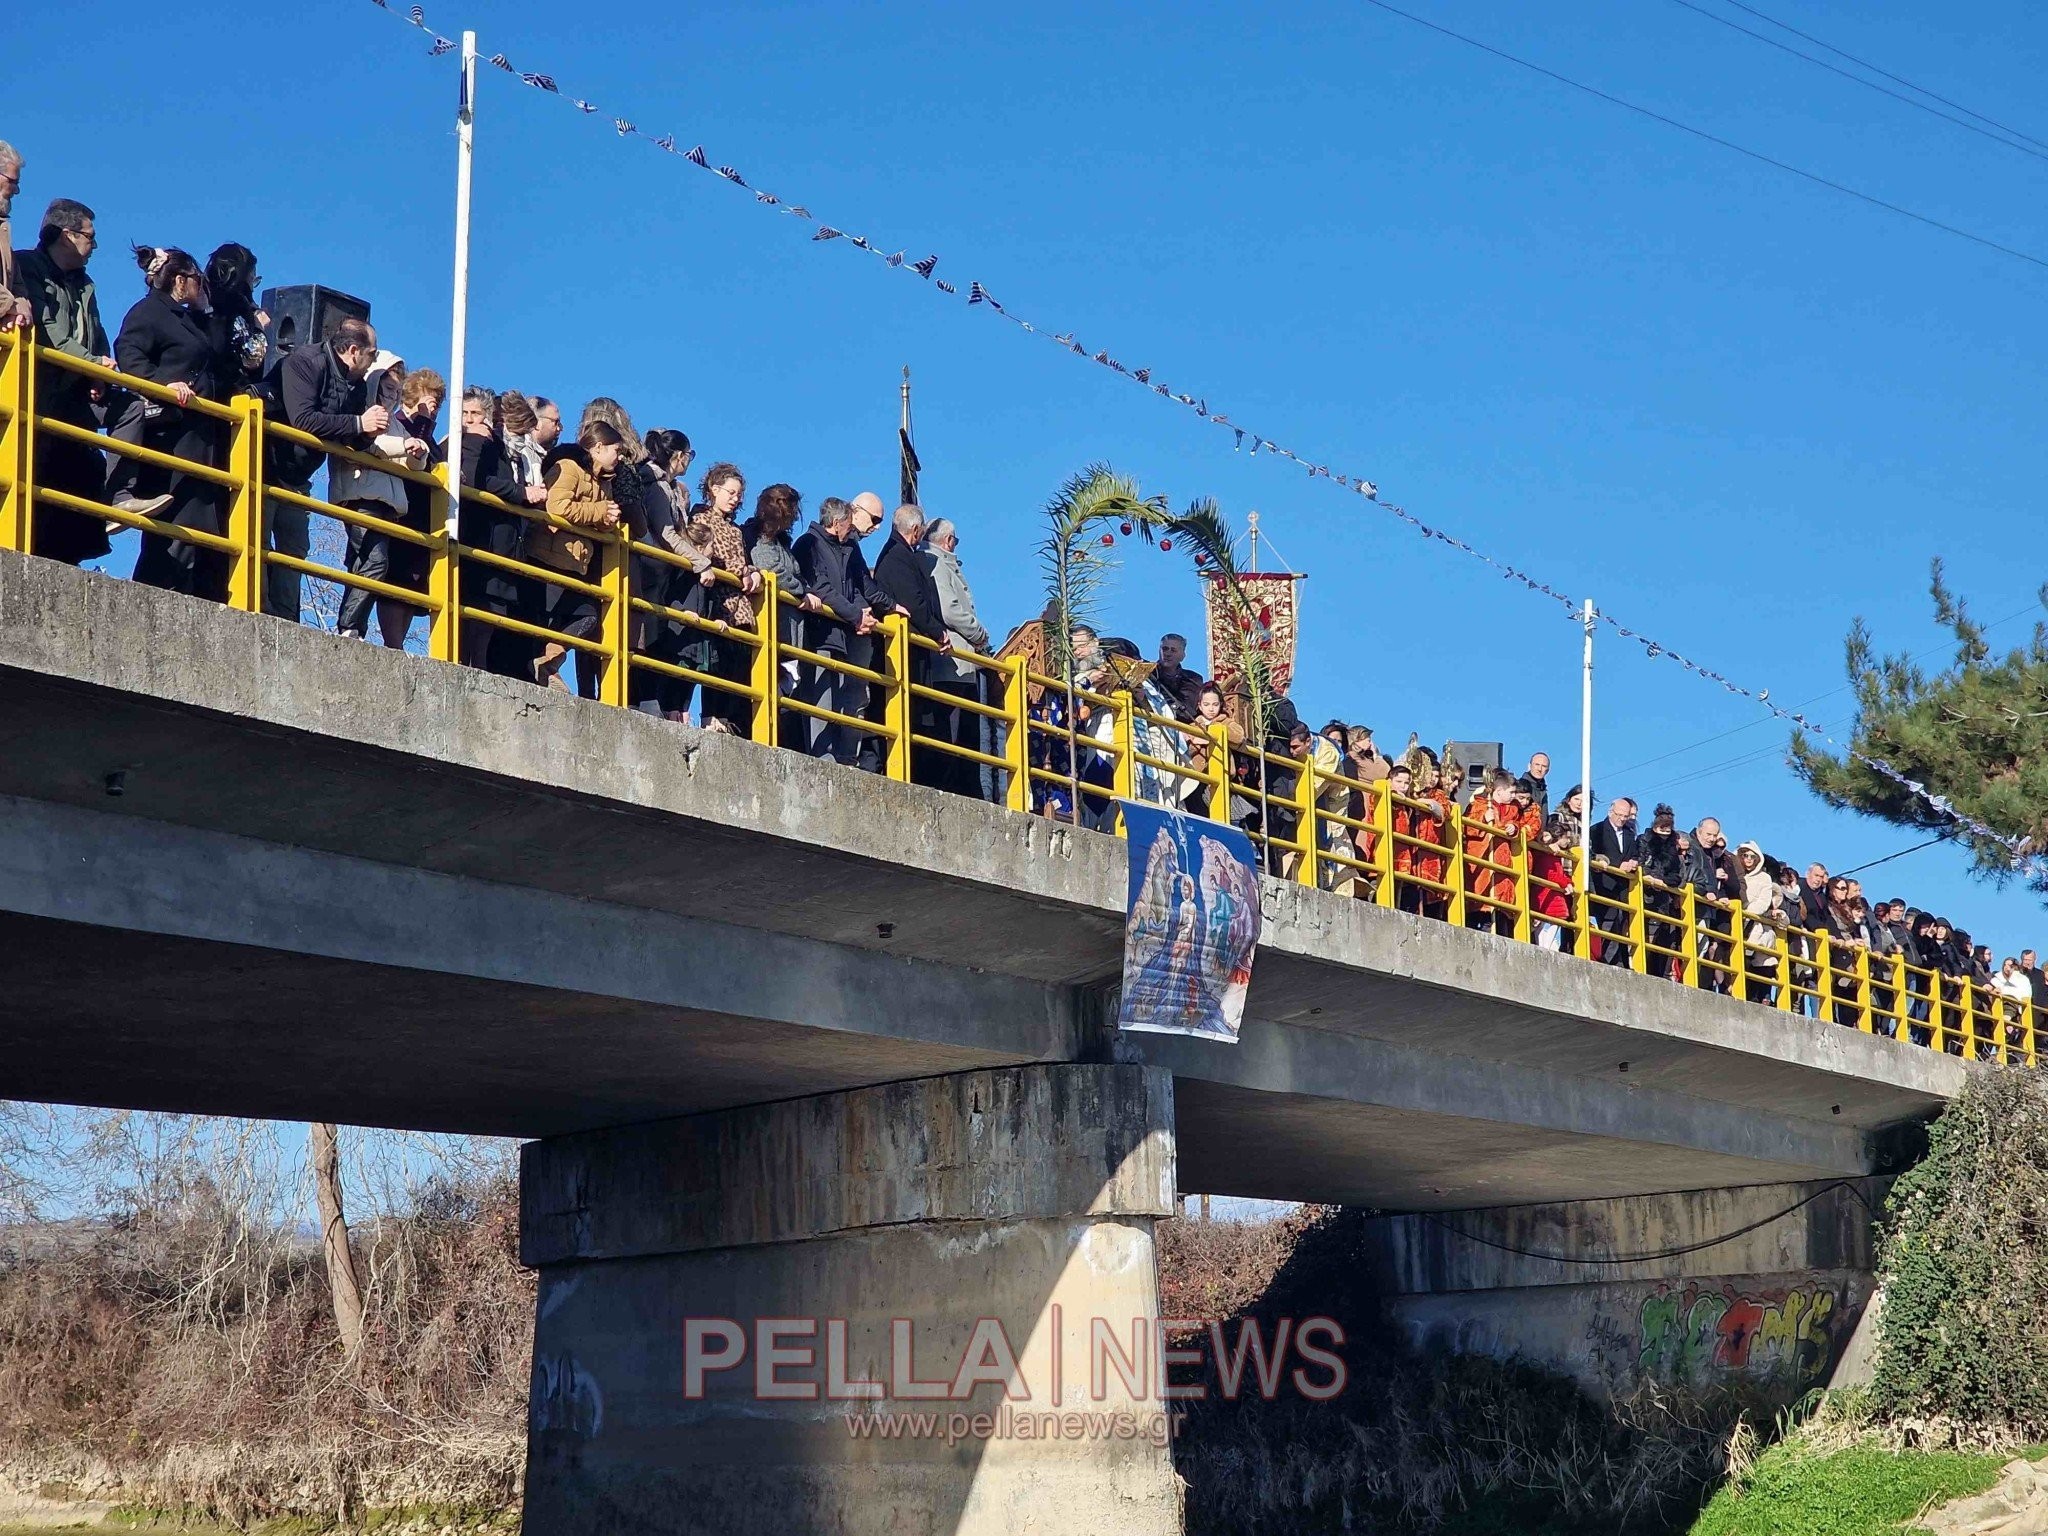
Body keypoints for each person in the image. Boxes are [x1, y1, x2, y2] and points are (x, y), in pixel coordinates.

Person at [115, 247, 230, 600]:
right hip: (171, 434)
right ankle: (152, 597)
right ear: (180, 280)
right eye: (197, 280)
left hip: (201, 436)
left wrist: (207, 309)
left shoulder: (193, 318)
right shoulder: (148, 312)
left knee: (201, 527)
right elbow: (129, 356)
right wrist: (162, 384)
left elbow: (216, 353)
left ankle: (192, 597)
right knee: (174, 524)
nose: (202, 286)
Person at [12, 197, 112, 565]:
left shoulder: (86, 285)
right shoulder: (27, 267)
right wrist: (92, 364)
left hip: (75, 402)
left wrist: (99, 373)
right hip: (35, 395)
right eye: (90, 236)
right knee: (35, 475)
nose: (94, 245)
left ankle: (116, 498)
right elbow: (48, 330)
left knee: (78, 474)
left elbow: (96, 334)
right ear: (67, 235)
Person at [331, 350, 431, 648]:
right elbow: (372, 443)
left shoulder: (396, 424)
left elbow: (412, 464)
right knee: (375, 562)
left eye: (398, 392)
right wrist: (404, 445)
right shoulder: (360, 410)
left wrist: (418, 454)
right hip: (361, 497)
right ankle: (349, 626)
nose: (392, 397)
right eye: (388, 389)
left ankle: (354, 628)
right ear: (374, 382)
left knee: (365, 564)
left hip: (388, 504)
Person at [793, 496, 894, 770]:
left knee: (852, 697)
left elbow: (857, 586)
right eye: (850, 523)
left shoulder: (848, 547)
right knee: (821, 694)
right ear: (837, 523)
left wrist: (864, 613)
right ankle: (821, 757)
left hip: (847, 632)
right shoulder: (808, 544)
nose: (855, 529)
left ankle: (847, 757)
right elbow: (822, 588)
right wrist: (855, 615)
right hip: (822, 632)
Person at [452, 385, 541, 680]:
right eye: (465, 413)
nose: (470, 420)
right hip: (478, 537)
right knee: (473, 605)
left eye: (476, 413)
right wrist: (521, 493)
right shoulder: (473, 443)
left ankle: (481, 665)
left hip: (505, 544)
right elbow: (478, 479)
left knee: (495, 610)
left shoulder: (510, 451)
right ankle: (468, 664)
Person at [531, 421, 625, 695]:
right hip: (549, 555)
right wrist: (599, 512)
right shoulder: (570, 468)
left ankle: (548, 662)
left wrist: (608, 520)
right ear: (598, 447)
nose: (618, 458)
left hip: (575, 563)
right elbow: (556, 505)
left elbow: (597, 515)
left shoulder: (602, 481)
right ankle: (542, 667)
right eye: (615, 451)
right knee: (545, 620)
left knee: (587, 617)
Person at [630, 427, 710, 720]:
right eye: (689, 455)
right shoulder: (654, 483)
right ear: (678, 456)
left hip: (660, 572)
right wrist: (700, 560)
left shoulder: (669, 485)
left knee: (655, 634)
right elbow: (666, 534)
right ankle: (643, 698)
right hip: (650, 569)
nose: (690, 461)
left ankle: (647, 698)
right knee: (647, 635)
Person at [872, 503, 951, 788]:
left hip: (911, 647)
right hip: (905, 649)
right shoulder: (897, 557)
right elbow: (914, 603)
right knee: (909, 713)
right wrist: (938, 633)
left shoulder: (898, 554)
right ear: (916, 530)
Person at [685, 462, 764, 736]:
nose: (735, 499)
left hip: (739, 608)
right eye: (730, 492)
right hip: (714, 602)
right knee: (714, 664)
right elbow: (710, 555)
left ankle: (728, 719)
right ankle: (710, 716)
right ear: (714, 489)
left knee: (736, 668)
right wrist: (740, 570)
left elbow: (744, 561)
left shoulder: (736, 530)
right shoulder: (701, 518)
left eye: (738, 494)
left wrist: (752, 572)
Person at [922, 517, 993, 799]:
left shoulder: (940, 562)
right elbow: (950, 609)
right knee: (950, 729)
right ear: (949, 540)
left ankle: (965, 787)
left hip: (962, 662)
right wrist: (979, 633)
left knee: (964, 732)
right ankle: (952, 786)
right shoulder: (936, 562)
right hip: (952, 661)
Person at [1463, 770, 1521, 934]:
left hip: (1501, 863)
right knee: (1481, 905)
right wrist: (1483, 819)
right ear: (1499, 791)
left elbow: (1520, 826)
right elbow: (1468, 827)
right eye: (1511, 792)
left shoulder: (1512, 810)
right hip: (1482, 862)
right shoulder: (1479, 805)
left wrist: (1513, 828)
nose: (1513, 796)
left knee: (1500, 909)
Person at [1589, 796, 1640, 967]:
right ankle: (1607, 962)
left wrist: (1633, 862)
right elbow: (1595, 854)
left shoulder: (1629, 834)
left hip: (1623, 887)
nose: (1622, 819)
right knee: (1608, 924)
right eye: (1619, 815)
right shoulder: (1597, 830)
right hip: (1605, 885)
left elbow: (1634, 853)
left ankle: (1620, 962)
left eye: (1625, 816)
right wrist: (1619, 865)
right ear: (1610, 812)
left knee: (1623, 925)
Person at [1532, 783, 1583, 951]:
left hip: (1551, 900)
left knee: (1549, 935)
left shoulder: (1552, 854)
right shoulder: (1548, 854)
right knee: (1547, 936)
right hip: (1548, 900)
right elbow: (1550, 874)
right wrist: (1566, 882)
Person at [1736, 841, 1783, 1006]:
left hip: (1755, 926)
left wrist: (1746, 911)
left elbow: (1763, 902)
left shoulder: (1764, 878)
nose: (1748, 859)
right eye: (1744, 855)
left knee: (1759, 963)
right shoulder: (1735, 873)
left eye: (1752, 856)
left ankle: (1758, 997)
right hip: (1736, 921)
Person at [1183, 683, 1240, 820]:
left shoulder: (1225, 722)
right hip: (1196, 776)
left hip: (1221, 774)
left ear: (1220, 705)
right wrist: (1191, 740)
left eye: (1215, 704)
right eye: (1207, 704)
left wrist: (1208, 738)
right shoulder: (1193, 725)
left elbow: (1238, 736)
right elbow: (1186, 749)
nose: (1211, 709)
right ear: (1200, 705)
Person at [0, 142, 26, 332]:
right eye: (13, 182)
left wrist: (22, 306)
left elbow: (16, 282)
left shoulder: (3, 229)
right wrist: (11, 305)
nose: (16, 190)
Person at [1152, 633, 1204, 721]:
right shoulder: (1148, 674)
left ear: (1183, 656)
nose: (1168, 653)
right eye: (1164, 649)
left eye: (1173, 650)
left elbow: (1191, 711)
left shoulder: (1194, 680)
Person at [1522, 751, 1552, 819]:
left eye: (1544, 766)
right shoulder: (1519, 787)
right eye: (1537, 764)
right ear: (1529, 766)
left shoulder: (1543, 791)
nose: (1539, 769)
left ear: (1547, 770)